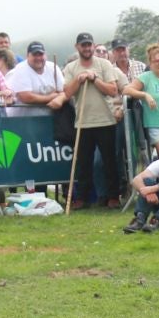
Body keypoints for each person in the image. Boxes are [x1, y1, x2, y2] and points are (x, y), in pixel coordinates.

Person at [61, 32, 123, 212]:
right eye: (83, 45)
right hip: (83, 122)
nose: (87, 48)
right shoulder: (71, 68)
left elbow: (112, 90)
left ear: (94, 46)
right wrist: (79, 80)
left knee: (109, 161)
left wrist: (94, 78)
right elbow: (67, 93)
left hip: (105, 120)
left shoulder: (104, 64)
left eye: (89, 45)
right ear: (77, 47)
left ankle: (113, 196)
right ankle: (81, 198)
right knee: (83, 164)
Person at [6, 42, 63, 118]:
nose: (38, 58)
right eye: (34, 55)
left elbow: (63, 91)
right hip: (23, 120)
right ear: (27, 56)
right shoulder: (21, 69)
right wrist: (51, 97)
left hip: (49, 118)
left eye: (41, 54)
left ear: (45, 55)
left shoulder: (53, 67)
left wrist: (60, 98)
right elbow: (25, 97)